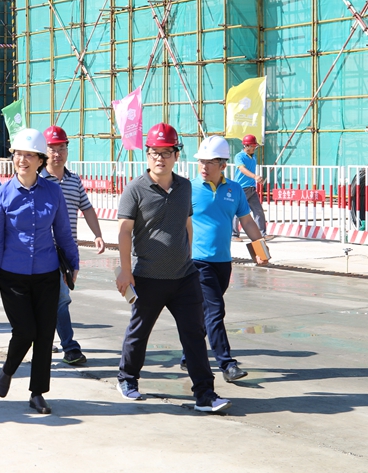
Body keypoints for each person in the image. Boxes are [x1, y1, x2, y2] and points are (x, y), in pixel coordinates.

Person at [115, 123, 231, 413]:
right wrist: (125, 270)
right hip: (148, 277)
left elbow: (187, 224)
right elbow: (124, 231)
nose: (160, 158)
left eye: (166, 152)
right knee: (139, 332)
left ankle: (205, 394)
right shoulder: (135, 189)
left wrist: (186, 257)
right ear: (147, 154)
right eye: (155, 152)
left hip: (184, 277)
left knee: (194, 335)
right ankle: (127, 379)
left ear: (176, 155)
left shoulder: (184, 187)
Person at [0, 128, 79, 415]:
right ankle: (8, 370)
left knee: (45, 334)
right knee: (25, 330)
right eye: (18, 154)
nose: (22, 160)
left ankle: (37, 393)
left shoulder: (53, 191)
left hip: (47, 274)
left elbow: (63, 232)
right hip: (12, 276)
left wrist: (73, 263)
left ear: (40, 160)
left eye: (29, 155)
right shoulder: (1, 194)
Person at [185, 136, 267, 382]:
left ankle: (189, 353)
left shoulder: (234, 189)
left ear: (223, 165)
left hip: (223, 262)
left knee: (205, 312)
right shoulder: (187, 189)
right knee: (215, 310)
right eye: (201, 161)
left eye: (210, 162)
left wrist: (260, 250)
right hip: (197, 261)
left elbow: (247, 221)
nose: (204, 166)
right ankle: (227, 364)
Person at [40, 125, 106, 365]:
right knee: (59, 298)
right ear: (44, 151)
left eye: (61, 148)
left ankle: (45, 340)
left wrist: (98, 234)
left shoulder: (73, 180)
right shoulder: (37, 180)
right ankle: (69, 347)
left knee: (56, 297)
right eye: (52, 149)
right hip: (42, 250)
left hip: (66, 252)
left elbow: (86, 208)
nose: (57, 154)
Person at [231, 134, 273, 241]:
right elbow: (242, 169)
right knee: (237, 212)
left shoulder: (253, 157)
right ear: (246, 146)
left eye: (255, 146)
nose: (254, 148)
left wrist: (256, 179)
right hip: (241, 188)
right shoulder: (239, 156)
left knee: (258, 211)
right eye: (253, 146)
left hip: (251, 188)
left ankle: (262, 234)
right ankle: (234, 235)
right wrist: (255, 176)